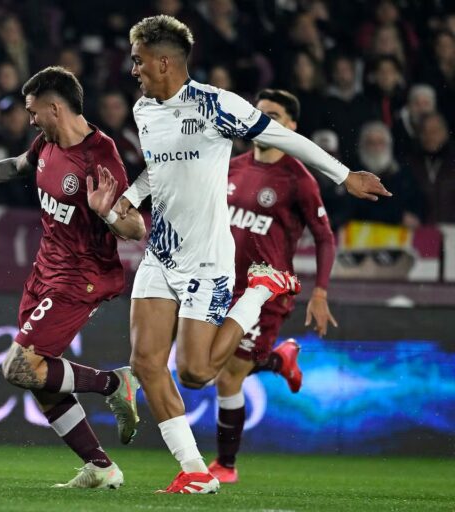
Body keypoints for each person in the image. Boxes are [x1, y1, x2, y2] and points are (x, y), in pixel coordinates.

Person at [115, 15, 390, 494]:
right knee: (144, 363)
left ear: (164, 62)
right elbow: (159, 171)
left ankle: (259, 291)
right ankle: (196, 472)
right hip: (161, 253)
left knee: (198, 373)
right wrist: (130, 197)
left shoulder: (214, 105)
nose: (132, 68)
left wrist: (344, 175)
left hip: (206, 259)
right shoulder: (144, 109)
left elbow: (282, 137)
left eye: (138, 60)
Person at [0, 66, 145, 489]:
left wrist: (106, 210)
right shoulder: (47, 142)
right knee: (38, 374)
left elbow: (135, 229)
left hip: (81, 276)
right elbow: (17, 165)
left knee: (18, 366)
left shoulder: (100, 157)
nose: (30, 118)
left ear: (56, 107)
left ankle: (113, 381)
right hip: (45, 270)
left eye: (34, 111)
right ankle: (101, 467)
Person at [207, 89, 338, 484]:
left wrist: (320, 292)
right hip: (220, 286)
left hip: (264, 294)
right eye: (259, 114)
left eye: (275, 116)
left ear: (292, 127)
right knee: (211, 364)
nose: (265, 122)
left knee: (228, 375)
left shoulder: (299, 179)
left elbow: (325, 237)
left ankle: (226, 466)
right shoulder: (232, 166)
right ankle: (279, 360)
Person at [349, 121, 422, 227]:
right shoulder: (353, 173)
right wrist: (398, 217)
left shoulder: (402, 173)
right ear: (363, 146)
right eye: (371, 143)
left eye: (380, 142)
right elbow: (357, 210)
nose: (376, 147)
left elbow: (416, 202)